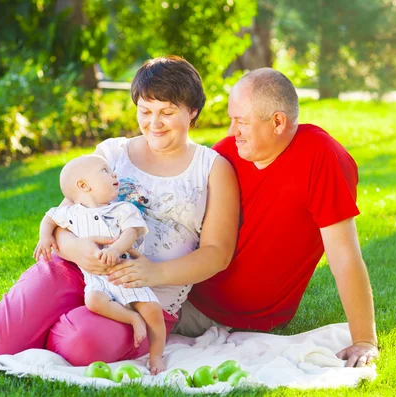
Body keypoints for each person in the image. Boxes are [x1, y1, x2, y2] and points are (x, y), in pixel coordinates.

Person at [0, 56, 240, 368]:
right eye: (145, 111)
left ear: (192, 111)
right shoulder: (111, 153)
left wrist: (150, 273)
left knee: (80, 344)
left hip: (146, 297)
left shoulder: (211, 169)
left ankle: (42, 326)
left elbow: (217, 254)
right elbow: (63, 218)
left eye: (167, 112)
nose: (154, 124)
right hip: (75, 270)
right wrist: (82, 253)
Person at [106, 68, 379, 368]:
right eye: (231, 119)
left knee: (106, 338)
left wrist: (364, 340)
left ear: (278, 122)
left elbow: (344, 256)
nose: (231, 131)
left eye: (242, 122)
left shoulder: (321, 156)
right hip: (181, 291)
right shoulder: (225, 156)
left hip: (221, 313)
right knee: (89, 303)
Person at [33, 154, 167, 374]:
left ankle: (156, 355)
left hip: (125, 272)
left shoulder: (122, 209)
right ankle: (132, 318)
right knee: (93, 300)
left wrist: (115, 250)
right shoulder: (72, 213)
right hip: (97, 279)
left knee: (153, 311)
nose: (114, 174)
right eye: (105, 171)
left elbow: (131, 232)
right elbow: (49, 217)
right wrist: (44, 237)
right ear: (83, 185)